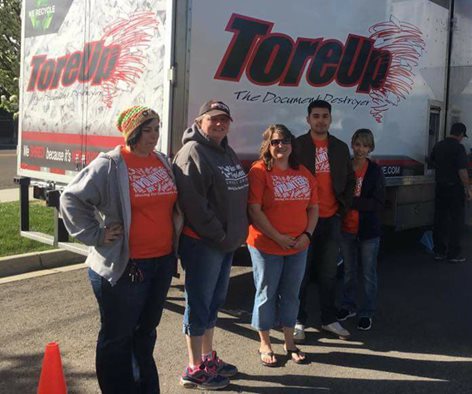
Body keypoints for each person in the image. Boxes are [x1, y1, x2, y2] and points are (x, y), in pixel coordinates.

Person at [60, 106, 181, 393]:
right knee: (118, 337)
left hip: (161, 262)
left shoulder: (161, 161)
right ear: (132, 132)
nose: (154, 135)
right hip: (126, 265)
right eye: (147, 129)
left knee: (145, 333)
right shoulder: (111, 165)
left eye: (157, 128)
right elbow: (71, 199)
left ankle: (145, 387)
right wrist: (96, 234)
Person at [172, 100, 249, 390]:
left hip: (225, 243)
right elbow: (195, 205)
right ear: (199, 121)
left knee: (214, 303)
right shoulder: (193, 152)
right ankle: (194, 368)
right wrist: (220, 235)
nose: (219, 124)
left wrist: (235, 234)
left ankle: (207, 358)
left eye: (224, 119)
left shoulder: (225, 151)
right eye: (213, 119)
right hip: (204, 244)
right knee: (199, 304)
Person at [247, 124, 319, 367]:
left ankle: (289, 342)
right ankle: (265, 342)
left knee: (291, 293)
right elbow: (254, 210)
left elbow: (314, 207)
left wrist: (307, 235)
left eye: (285, 141)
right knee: (266, 293)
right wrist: (277, 237)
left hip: (299, 245)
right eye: (275, 141)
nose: (280, 146)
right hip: (266, 245)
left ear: (292, 145)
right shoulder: (259, 171)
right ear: (268, 145)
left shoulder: (303, 172)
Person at [294, 100, 355, 341]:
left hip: (331, 219)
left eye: (325, 116)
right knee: (302, 273)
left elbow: (350, 180)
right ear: (307, 119)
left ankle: (329, 319)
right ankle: (298, 319)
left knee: (329, 274)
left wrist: (343, 206)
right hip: (303, 220)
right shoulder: (297, 146)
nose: (321, 120)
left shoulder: (339, 147)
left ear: (331, 119)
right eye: (316, 116)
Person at [336, 129, 386, 331]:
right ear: (352, 144)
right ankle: (348, 306)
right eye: (358, 144)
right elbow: (337, 192)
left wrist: (351, 202)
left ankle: (367, 311)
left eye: (365, 145)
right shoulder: (345, 166)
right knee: (348, 272)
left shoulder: (375, 171)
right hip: (346, 228)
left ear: (371, 148)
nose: (361, 149)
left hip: (368, 231)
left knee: (368, 273)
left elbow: (378, 202)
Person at [430, 122, 472, 263]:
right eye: (462, 136)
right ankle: (454, 253)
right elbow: (462, 170)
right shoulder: (459, 148)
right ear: (460, 134)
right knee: (456, 221)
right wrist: (467, 188)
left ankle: (439, 251)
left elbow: (432, 162)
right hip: (455, 189)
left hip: (440, 188)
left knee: (439, 220)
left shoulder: (439, 145)